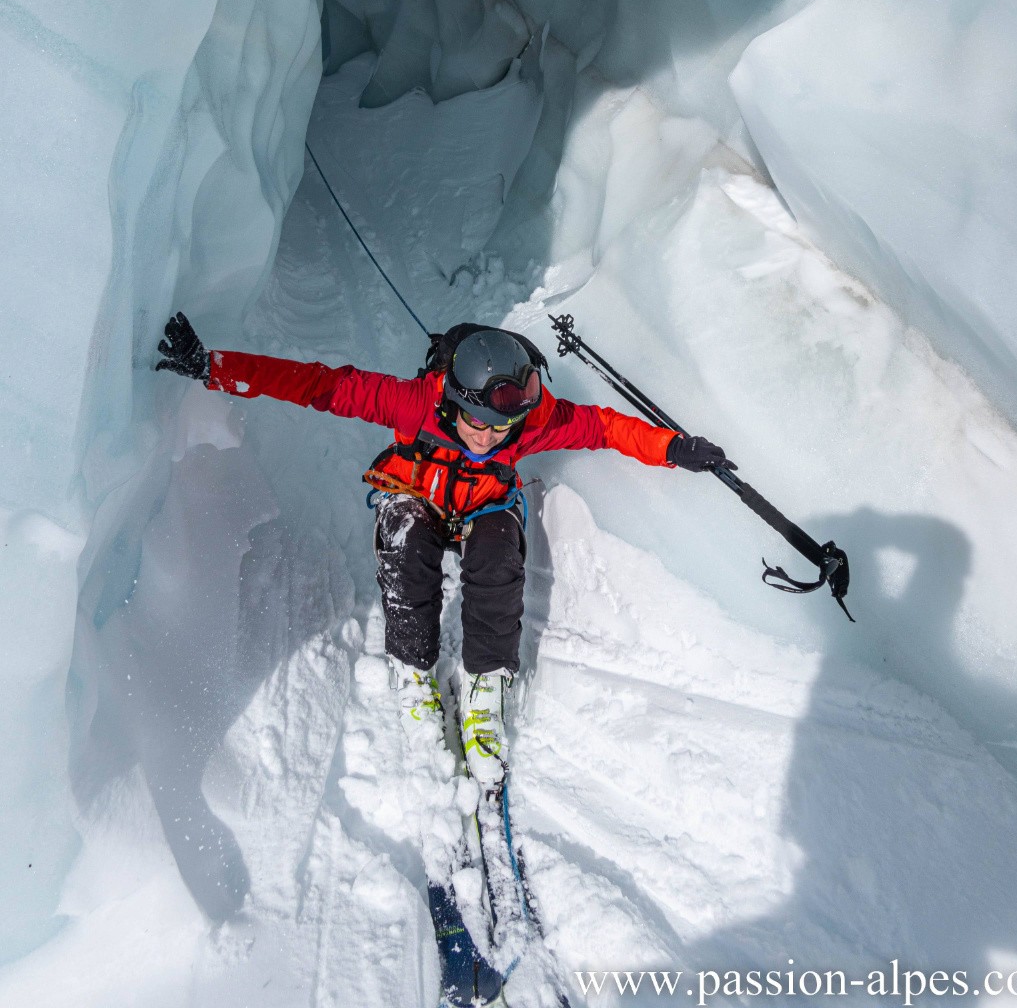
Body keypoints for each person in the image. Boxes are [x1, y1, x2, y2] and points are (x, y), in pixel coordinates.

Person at [155, 312, 734, 787]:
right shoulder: (412, 402)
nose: (485, 438)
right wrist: (213, 368)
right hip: (419, 493)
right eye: (474, 424)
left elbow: (605, 427)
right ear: (452, 399)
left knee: (499, 562)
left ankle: (485, 687)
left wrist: (674, 448)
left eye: (499, 430)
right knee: (405, 545)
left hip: (483, 506)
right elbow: (319, 385)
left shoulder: (534, 420)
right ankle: (413, 671)